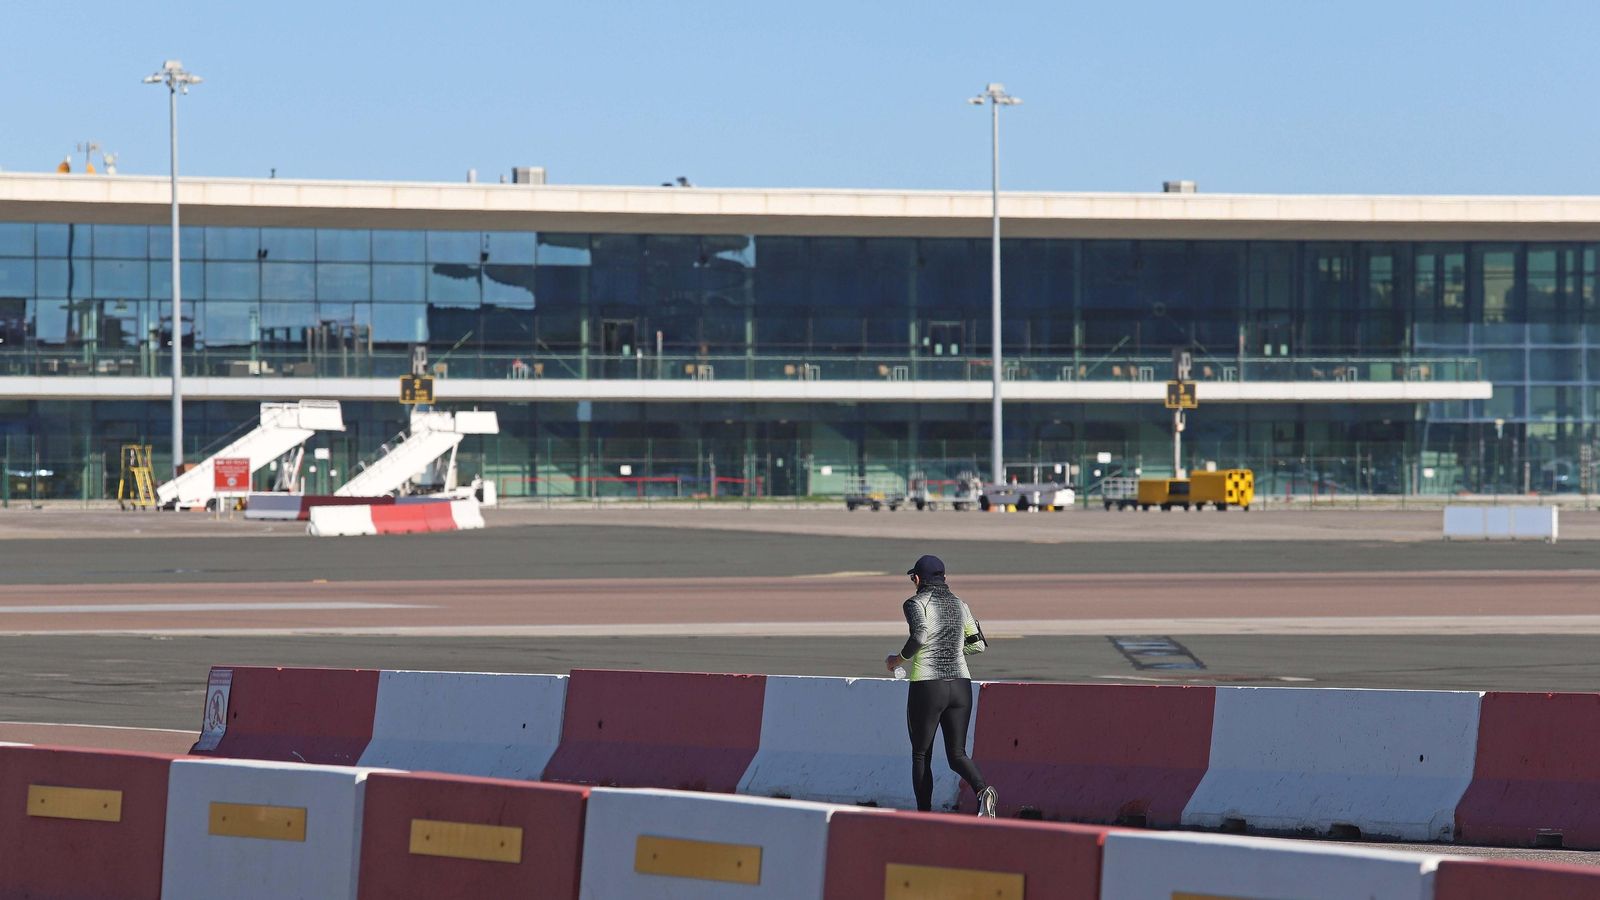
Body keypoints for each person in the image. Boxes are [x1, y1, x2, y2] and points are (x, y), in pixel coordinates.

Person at [885, 554, 998, 817]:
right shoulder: (961, 604)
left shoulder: (915, 603)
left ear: (916, 579)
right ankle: (983, 790)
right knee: (957, 754)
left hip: (928, 685)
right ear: (945, 578)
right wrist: (952, 649)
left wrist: (897, 660)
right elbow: (978, 644)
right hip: (960, 685)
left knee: (921, 754)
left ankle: (924, 816)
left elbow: (920, 635)